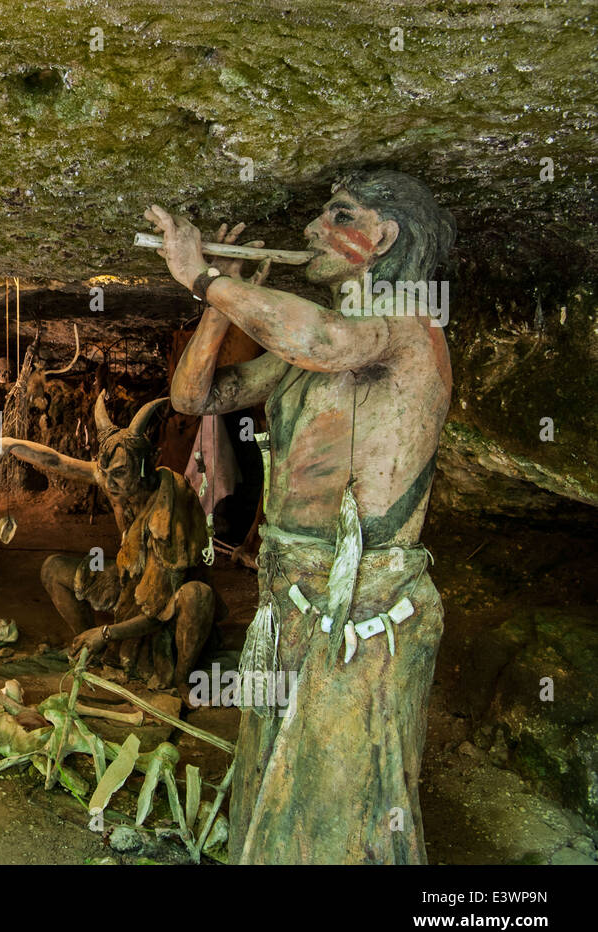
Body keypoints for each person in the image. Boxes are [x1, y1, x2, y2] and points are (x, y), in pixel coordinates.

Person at [152, 169, 455, 863]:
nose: (313, 231)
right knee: (279, 780)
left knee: (346, 796)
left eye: (336, 216)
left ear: (381, 236)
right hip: (288, 602)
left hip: (363, 613)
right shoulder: (297, 363)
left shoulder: (410, 329)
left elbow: (329, 341)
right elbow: (195, 399)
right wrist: (217, 304)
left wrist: (204, 277)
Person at [0, 394, 218, 694]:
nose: (110, 484)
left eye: (118, 474)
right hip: (129, 575)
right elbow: (56, 461)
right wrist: (10, 444)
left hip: (166, 595)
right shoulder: (116, 481)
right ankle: (87, 648)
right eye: (106, 474)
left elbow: (158, 609)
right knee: (53, 569)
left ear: (144, 467)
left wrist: (105, 632)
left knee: (197, 597)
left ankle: (182, 680)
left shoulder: (170, 503)